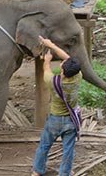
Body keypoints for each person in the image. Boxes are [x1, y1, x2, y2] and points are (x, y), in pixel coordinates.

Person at [32, 36, 82, 176]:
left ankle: (37, 170)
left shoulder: (53, 82)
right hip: (71, 121)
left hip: (55, 120)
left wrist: (47, 60)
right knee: (68, 149)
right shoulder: (78, 77)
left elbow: (46, 69)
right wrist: (51, 45)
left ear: (63, 72)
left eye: (61, 65)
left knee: (44, 145)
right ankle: (64, 173)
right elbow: (67, 58)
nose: (60, 64)